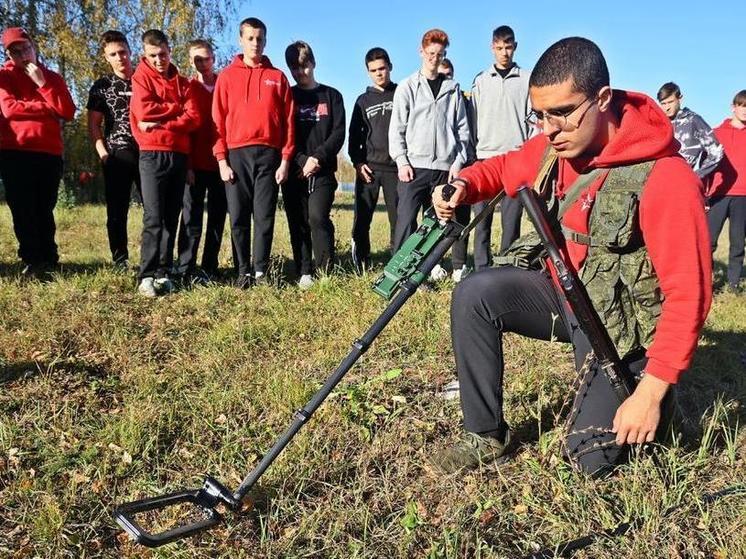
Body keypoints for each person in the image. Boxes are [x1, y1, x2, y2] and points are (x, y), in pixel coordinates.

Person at [430, 37, 712, 476]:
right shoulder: (557, 146)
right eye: (539, 115)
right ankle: (485, 434)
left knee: (588, 459)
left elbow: (688, 297)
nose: (548, 129)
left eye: (561, 113)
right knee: (475, 294)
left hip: (621, 325)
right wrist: (464, 184)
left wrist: (650, 393)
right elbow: (504, 168)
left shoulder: (667, 178)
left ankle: (656, 401)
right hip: (566, 296)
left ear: (602, 98)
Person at [212, 17, 294, 288]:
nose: (255, 43)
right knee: (238, 216)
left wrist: (285, 159)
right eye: (250, 38)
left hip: (269, 156)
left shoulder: (277, 77)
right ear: (241, 40)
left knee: (264, 215)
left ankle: (260, 271)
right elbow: (217, 122)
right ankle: (242, 271)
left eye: (260, 38)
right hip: (237, 155)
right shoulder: (226, 77)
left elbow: (289, 123)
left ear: (265, 41)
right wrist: (222, 160)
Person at [388, 28, 470, 282]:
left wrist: (457, 161)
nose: (435, 58)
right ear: (421, 52)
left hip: (445, 168)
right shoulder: (407, 86)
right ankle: (400, 273)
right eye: (431, 53)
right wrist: (401, 160)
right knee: (406, 222)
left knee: (438, 223)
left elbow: (462, 129)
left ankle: (429, 270)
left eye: (440, 54)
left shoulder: (453, 88)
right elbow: (397, 129)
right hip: (414, 166)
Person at [0, 27, 76, 278]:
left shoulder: (51, 77)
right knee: (23, 209)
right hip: (16, 151)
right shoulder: (3, 77)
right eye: (15, 51)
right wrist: (47, 108)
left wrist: (43, 85)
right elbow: (9, 109)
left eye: (26, 48)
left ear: (34, 47)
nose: (23, 55)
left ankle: (49, 258)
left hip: (49, 153)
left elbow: (67, 111)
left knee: (45, 208)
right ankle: (32, 260)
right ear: (8, 54)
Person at [130, 29, 200, 297]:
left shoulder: (185, 83)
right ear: (145, 55)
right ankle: (146, 274)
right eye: (153, 55)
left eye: (163, 54)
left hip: (179, 155)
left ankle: (163, 271)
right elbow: (144, 111)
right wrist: (176, 108)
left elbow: (193, 118)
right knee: (153, 217)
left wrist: (161, 120)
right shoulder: (140, 77)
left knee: (172, 216)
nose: (159, 60)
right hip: (152, 154)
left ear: (170, 51)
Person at [282, 41, 345, 288]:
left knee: (318, 217)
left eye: (304, 66)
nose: (300, 72)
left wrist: (317, 158)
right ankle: (304, 269)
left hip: (323, 171)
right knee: (297, 221)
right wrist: (300, 159)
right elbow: (282, 132)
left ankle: (325, 269)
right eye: (294, 68)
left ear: (313, 63)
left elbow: (338, 132)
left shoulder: (332, 96)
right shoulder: (287, 95)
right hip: (294, 170)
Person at [469, 25, 532, 271]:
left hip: (514, 159)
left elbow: (532, 120)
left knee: (511, 221)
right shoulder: (481, 81)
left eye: (508, 47)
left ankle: (507, 268)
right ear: (491, 48)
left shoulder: (527, 79)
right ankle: (481, 268)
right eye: (499, 48)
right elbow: (472, 118)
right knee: (481, 220)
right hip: (485, 157)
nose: (504, 53)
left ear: (515, 47)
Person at [86, 30, 140, 269]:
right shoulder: (101, 86)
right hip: (117, 154)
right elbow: (94, 125)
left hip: (148, 152)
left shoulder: (144, 79)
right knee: (117, 211)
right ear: (107, 57)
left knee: (153, 209)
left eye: (123, 52)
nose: (120, 58)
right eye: (114, 54)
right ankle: (120, 259)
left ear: (130, 51)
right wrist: (103, 154)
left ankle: (157, 260)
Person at [174, 39, 227, 284]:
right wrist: (187, 165)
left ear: (213, 58)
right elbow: (183, 130)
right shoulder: (186, 88)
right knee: (191, 219)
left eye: (206, 58)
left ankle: (209, 267)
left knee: (217, 217)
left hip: (222, 164)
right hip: (194, 166)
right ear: (190, 61)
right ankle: (185, 266)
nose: (202, 63)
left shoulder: (224, 85)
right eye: (197, 59)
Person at [348, 47, 398, 272]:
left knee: (399, 220)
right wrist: (358, 163)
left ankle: (398, 262)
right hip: (369, 168)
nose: (379, 73)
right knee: (362, 218)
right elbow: (354, 136)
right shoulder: (362, 101)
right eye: (373, 70)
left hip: (396, 168)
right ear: (368, 72)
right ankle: (361, 260)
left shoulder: (402, 93)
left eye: (382, 68)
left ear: (390, 67)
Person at [707, 90, 746, 293]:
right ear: (734, 107)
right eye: (742, 106)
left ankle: (733, 284)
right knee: (709, 242)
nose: (745, 111)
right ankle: (707, 282)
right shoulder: (716, 133)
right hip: (719, 194)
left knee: (738, 244)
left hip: (744, 197)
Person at [657, 82, 723, 181]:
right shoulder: (657, 123)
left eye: (670, 102)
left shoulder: (693, 120)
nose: (667, 107)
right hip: (660, 179)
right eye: (663, 103)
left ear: (680, 99)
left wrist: (696, 176)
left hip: (683, 180)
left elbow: (716, 151)